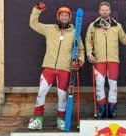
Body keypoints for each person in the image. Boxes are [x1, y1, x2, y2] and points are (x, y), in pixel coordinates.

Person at [28, 2, 85, 130]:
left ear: (69, 18)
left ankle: (61, 120)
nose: (64, 17)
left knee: (62, 95)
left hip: (64, 69)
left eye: (66, 15)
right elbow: (33, 24)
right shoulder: (49, 29)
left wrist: (79, 61)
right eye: (62, 15)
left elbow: (81, 50)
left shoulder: (74, 33)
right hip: (48, 66)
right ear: (58, 17)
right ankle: (37, 119)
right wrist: (37, 10)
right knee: (42, 92)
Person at [85, 1, 126, 119]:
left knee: (113, 85)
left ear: (110, 11)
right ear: (99, 11)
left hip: (113, 60)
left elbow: (125, 40)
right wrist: (89, 53)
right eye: (102, 10)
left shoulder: (116, 25)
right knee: (100, 84)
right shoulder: (93, 25)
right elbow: (88, 40)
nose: (104, 11)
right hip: (99, 60)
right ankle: (101, 108)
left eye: (106, 10)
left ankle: (112, 108)